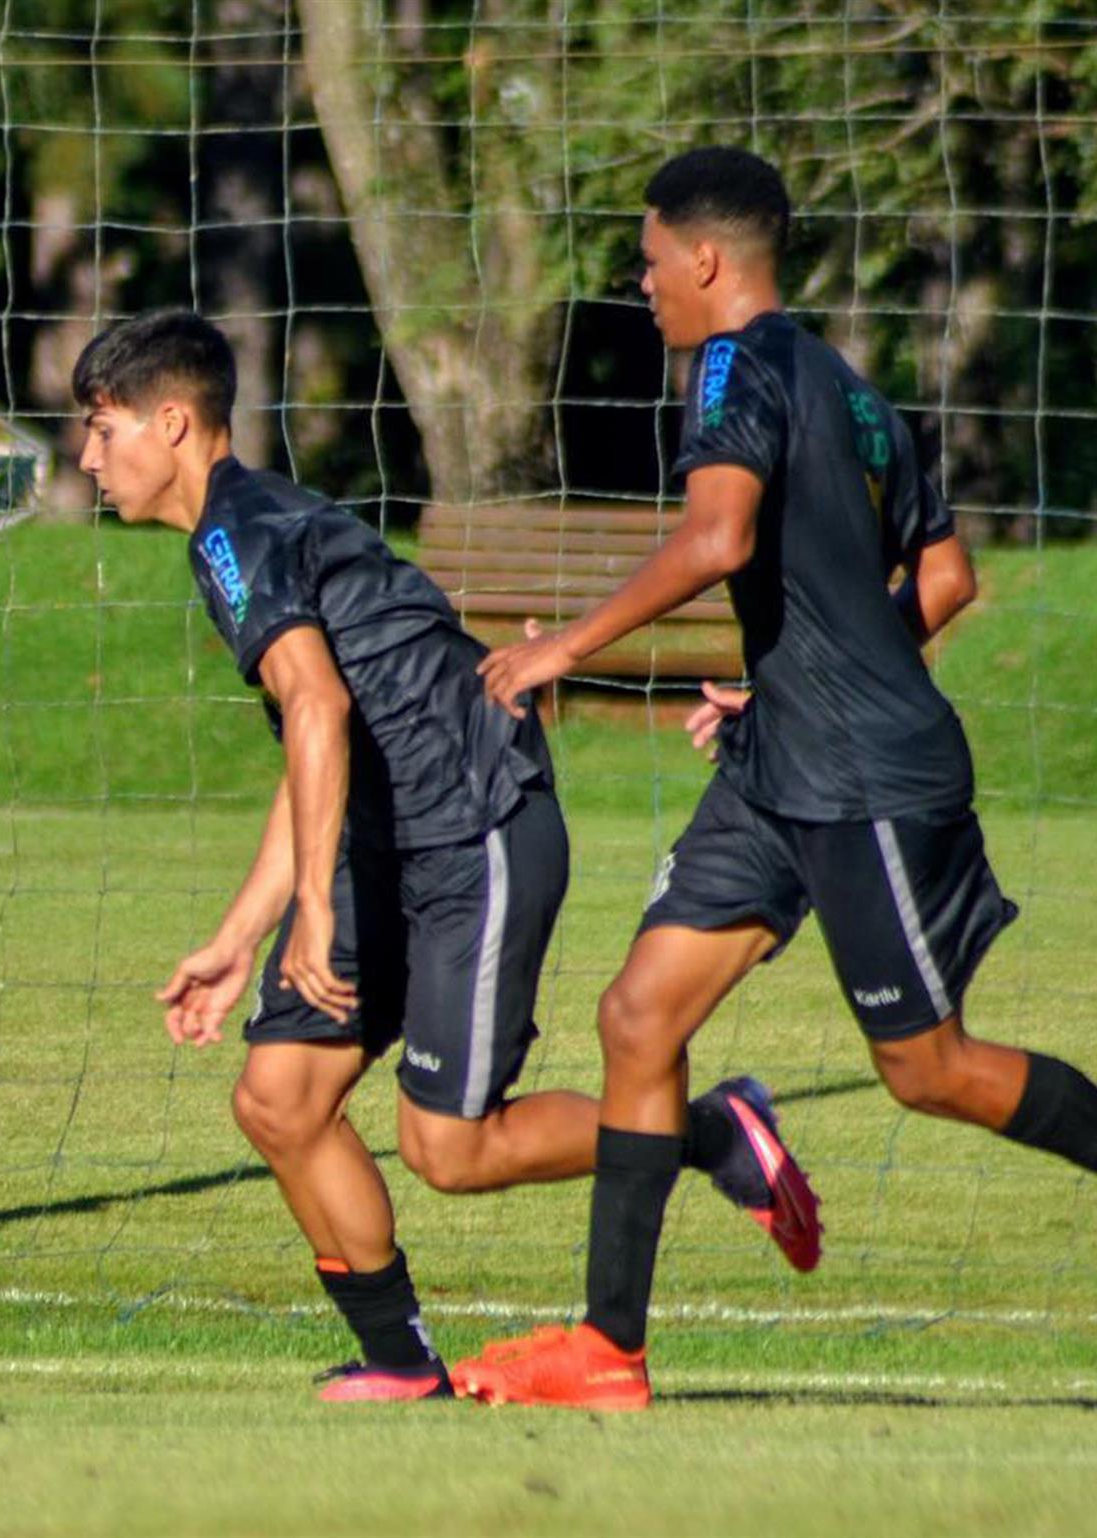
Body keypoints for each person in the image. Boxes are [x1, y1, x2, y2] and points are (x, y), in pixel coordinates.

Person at [71, 309, 818, 1402]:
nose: (89, 457)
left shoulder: (238, 532)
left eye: (101, 428)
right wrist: (239, 939)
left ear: (171, 422)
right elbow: (312, 743)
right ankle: (397, 1356)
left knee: (449, 1148)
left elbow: (317, 708)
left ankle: (709, 1128)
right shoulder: (233, 531)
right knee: (279, 1096)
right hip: (389, 830)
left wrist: (315, 920)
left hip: (474, 823)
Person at [453, 146, 1097, 1412]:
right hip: (781, 756)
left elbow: (716, 536)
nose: (640, 286)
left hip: (863, 773)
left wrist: (560, 646)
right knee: (640, 1017)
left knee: (926, 1069)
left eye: (645, 262)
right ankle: (607, 1351)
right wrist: (791, 673)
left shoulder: (733, 364)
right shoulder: (845, 383)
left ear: (703, 260)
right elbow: (943, 577)